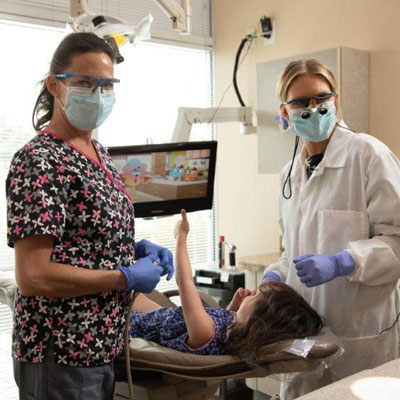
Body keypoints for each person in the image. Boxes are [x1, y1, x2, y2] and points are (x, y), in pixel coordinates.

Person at [6, 32, 173, 400]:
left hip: (102, 345)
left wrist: (134, 250)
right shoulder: (40, 161)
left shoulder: (98, 153)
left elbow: (85, 238)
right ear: (55, 85)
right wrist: (124, 276)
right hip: (61, 352)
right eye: (84, 83)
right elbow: (33, 275)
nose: (97, 94)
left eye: (106, 85)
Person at [262, 58, 400, 399]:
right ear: (284, 111)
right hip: (304, 334)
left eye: (322, 99)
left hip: (360, 335)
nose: (314, 109)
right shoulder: (288, 175)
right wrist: (273, 277)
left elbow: (397, 240)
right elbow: (293, 249)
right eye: (301, 102)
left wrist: (344, 261)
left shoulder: (368, 155)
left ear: (335, 101)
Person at [129, 210, 323, 356]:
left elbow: (185, 281)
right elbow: (220, 323)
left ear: (258, 319)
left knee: (114, 288)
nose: (253, 292)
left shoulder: (205, 332)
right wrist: (234, 308)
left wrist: (181, 236)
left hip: (139, 324)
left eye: (258, 296)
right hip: (160, 315)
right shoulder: (231, 332)